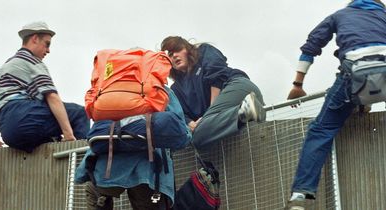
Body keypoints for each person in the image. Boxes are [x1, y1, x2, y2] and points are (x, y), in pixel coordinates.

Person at [285, 1, 386, 209]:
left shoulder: (339, 15)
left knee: (322, 129)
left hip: (353, 73)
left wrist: (298, 84)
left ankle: (300, 196)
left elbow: (311, 46)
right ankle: (362, 105)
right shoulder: (383, 16)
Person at [75, 87, 192, 210]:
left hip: (101, 170)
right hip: (147, 172)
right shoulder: (159, 89)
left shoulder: (106, 89)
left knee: (98, 194)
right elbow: (182, 136)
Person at [0, 21, 90, 152]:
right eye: (47, 44)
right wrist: (69, 135)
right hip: (23, 115)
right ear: (35, 38)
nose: (48, 50)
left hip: (8, 132)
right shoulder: (32, 61)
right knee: (80, 113)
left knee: (54, 137)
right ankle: (83, 165)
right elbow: (52, 97)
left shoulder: (3, 69)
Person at [160, 36, 266, 151]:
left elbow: (217, 74)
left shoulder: (204, 51)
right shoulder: (176, 89)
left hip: (237, 87)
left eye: (178, 49)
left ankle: (247, 109)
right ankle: (245, 113)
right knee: (197, 138)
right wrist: (190, 123)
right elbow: (180, 113)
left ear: (188, 49)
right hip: (223, 114)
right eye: (170, 54)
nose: (174, 55)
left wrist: (208, 115)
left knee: (201, 131)